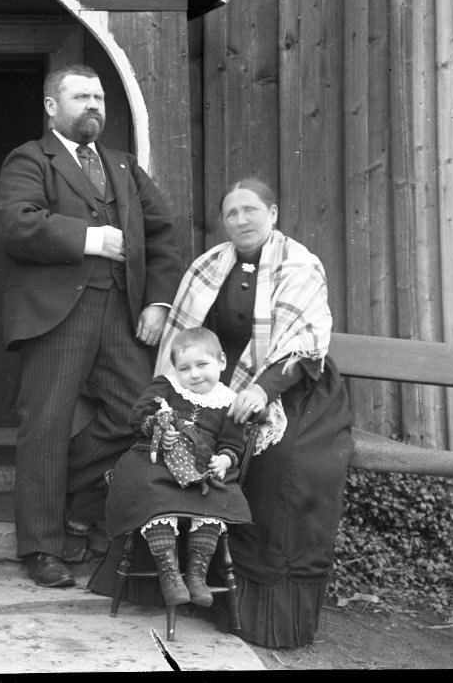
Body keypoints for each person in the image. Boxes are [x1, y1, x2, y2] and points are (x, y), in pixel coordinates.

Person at [91, 178, 353, 648]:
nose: (240, 220)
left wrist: (262, 390)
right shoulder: (210, 265)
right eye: (231, 213)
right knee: (173, 447)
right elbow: (186, 340)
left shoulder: (300, 264)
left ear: (272, 214)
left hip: (292, 384)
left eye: (250, 210)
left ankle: (255, 611)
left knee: (282, 462)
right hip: (217, 380)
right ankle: (176, 577)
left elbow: (303, 345)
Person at [0, 64, 183, 588]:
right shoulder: (31, 159)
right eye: (81, 97)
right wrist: (95, 239)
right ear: (52, 106)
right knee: (46, 425)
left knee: (140, 414)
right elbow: (15, 222)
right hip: (56, 315)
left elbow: (163, 234)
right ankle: (41, 548)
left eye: (98, 97)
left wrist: (158, 303)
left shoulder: (122, 165)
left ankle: (63, 486)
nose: (94, 105)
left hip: (121, 313)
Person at [103, 327, 251, 608]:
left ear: (221, 361)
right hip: (157, 462)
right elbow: (138, 417)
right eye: (185, 368)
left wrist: (224, 459)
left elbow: (233, 443)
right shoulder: (166, 386)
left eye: (202, 364)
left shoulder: (229, 401)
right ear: (175, 369)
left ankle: (196, 575)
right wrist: (157, 429)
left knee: (216, 500)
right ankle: (169, 573)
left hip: (201, 469)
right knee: (151, 491)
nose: (194, 374)